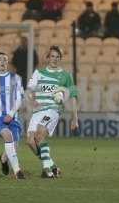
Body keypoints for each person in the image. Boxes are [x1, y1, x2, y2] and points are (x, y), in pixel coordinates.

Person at [26, 46, 79, 178]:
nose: (55, 59)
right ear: (48, 58)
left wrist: (75, 118)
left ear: (60, 59)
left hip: (53, 109)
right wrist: (32, 100)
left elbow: (73, 97)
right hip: (37, 110)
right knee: (31, 142)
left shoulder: (66, 76)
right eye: (52, 56)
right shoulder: (39, 72)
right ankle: (52, 166)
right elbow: (29, 90)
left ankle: (46, 171)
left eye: (57, 57)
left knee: (39, 134)